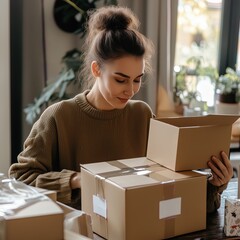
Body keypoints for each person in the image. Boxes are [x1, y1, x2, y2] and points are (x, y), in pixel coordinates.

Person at [8, 6, 233, 213]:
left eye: (137, 80)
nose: (131, 90)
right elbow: (20, 179)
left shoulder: (142, 115)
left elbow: (169, 189)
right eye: (120, 79)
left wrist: (215, 185)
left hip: (138, 226)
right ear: (97, 69)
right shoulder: (59, 117)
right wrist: (76, 180)